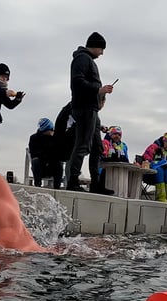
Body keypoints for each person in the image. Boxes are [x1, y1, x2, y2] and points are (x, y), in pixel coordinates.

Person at [68, 32, 114, 194]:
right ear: (95, 46)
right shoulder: (82, 59)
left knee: (97, 148)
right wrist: (98, 89)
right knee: (83, 145)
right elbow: (77, 82)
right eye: (102, 49)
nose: (102, 53)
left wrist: (101, 94)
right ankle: (72, 181)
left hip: (92, 109)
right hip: (85, 108)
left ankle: (96, 184)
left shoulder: (87, 60)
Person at [142, 133, 167, 203]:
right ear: (164, 141)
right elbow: (146, 158)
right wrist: (157, 163)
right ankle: (161, 197)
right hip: (150, 174)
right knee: (160, 170)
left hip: (166, 173)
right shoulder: (154, 147)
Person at [28, 118, 60, 188]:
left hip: (52, 165)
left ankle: (57, 187)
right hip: (40, 166)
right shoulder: (34, 138)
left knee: (58, 163)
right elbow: (34, 154)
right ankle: (37, 185)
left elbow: (58, 152)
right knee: (35, 161)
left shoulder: (54, 138)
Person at [53, 101, 75, 189]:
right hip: (63, 141)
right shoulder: (67, 112)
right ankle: (64, 185)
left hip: (69, 141)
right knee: (61, 163)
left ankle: (70, 184)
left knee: (70, 161)